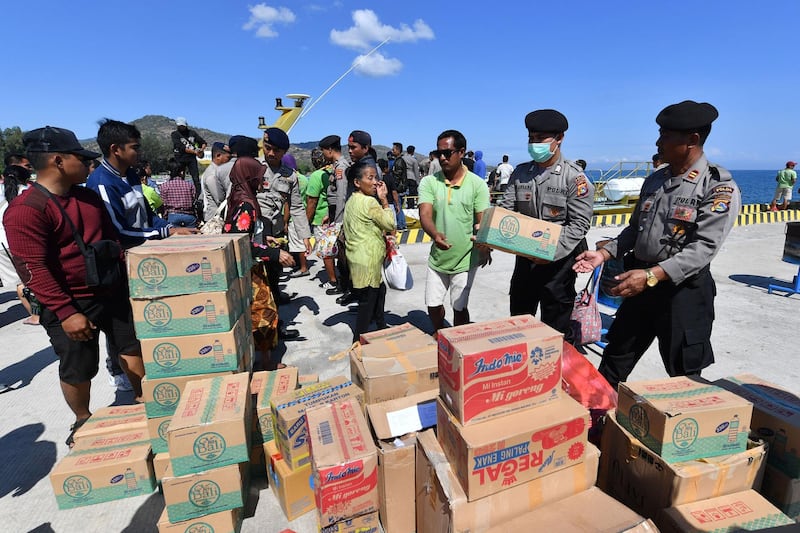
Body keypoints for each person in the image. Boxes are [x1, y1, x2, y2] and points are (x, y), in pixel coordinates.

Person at [573, 100, 741, 389]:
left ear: (692, 140)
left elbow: (703, 248)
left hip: (682, 292)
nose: (658, 141)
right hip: (639, 284)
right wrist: (603, 253)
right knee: (614, 361)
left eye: (665, 134)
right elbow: (634, 231)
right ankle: (600, 424)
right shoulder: (655, 180)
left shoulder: (717, 186)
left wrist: (652, 276)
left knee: (685, 376)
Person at [3, 126, 145, 446]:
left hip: (111, 289)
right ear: (58, 160)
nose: (87, 164)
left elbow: (113, 241)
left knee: (131, 345)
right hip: (72, 302)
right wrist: (66, 312)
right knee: (78, 364)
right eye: (81, 158)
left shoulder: (88, 197)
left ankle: (142, 400)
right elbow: (33, 270)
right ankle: (82, 417)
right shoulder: (26, 210)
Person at [498, 109, 594, 347]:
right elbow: (506, 209)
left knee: (555, 326)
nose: (534, 143)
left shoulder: (575, 178)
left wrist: (549, 253)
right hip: (525, 258)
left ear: (559, 138)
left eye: (540, 138)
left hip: (559, 262)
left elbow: (579, 224)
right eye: (531, 138)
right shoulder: (521, 173)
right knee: (520, 320)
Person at [222, 135, 295, 370]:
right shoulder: (246, 203)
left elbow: (245, 233)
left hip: (247, 264)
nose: (262, 181)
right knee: (263, 313)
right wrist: (274, 254)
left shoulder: (239, 195)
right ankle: (265, 363)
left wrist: (266, 238)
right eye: (258, 177)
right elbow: (241, 242)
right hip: (249, 268)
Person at [419, 130, 491, 332]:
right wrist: (435, 235)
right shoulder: (429, 182)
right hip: (438, 257)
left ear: (461, 153)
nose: (442, 157)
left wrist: (485, 247)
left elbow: (482, 220)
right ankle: (439, 333)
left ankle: (459, 340)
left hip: (466, 259)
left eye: (447, 153)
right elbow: (425, 214)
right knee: (432, 304)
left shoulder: (477, 185)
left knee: (459, 307)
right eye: (438, 152)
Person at [343, 159, 396, 341]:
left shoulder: (351, 200)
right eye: (370, 178)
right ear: (357, 182)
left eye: (376, 178)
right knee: (367, 303)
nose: (375, 182)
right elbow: (390, 223)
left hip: (357, 258)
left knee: (379, 290)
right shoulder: (370, 202)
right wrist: (384, 200)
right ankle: (359, 341)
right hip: (368, 259)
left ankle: (381, 325)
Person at [0, 162, 39, 325]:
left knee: (20, 282)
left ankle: (34, 315)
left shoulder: (3, 194)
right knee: (34, 278)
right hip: (24, 240)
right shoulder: (30, 193)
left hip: (3, 244)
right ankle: (41, 313)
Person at [319, 134, 350, 296]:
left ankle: (346, 288)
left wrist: (337, 221)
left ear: (330, 150)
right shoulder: (336, 166)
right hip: (334, 213)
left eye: (323, 151)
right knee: (339, 253)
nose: (323, 154)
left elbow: (342, 196)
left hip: (340, 215)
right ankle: (344, 286)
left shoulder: (341, 167)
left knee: (343, 255)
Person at [170, 116, 206, 198]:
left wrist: (201, 150)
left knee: (196, 178)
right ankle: (179, 194)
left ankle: (198, 195)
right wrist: (195, 152)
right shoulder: (175, 134)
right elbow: (180, 147)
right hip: (180, 157)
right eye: (179, 126)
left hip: (191, 159)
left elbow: (203, 142)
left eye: (182, 126)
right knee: (179, 176)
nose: (181, 127)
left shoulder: (192, 133)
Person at [201, 142, 234, 221]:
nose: (229, 161)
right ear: (218, 156)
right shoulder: (212, 174)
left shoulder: (216, 172)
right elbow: (220, 199)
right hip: (214, 218)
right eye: (228, 158)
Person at [160, 158, 197, 227]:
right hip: (189, 216)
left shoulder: (164, 186)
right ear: (182, 172)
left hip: (172, 216)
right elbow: (194, 200)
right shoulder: (190, 185)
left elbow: (163, 204)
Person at [390, 142, 409, 230]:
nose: (392, 151)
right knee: (398, 205)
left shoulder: (399, 162)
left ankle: (401, 224)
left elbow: (397, 176)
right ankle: (402, 223)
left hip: (399, 188)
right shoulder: (398, 161)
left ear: (398, 150)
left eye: (393, 149)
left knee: (397, 206)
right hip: (400, 187)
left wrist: (394, 186)